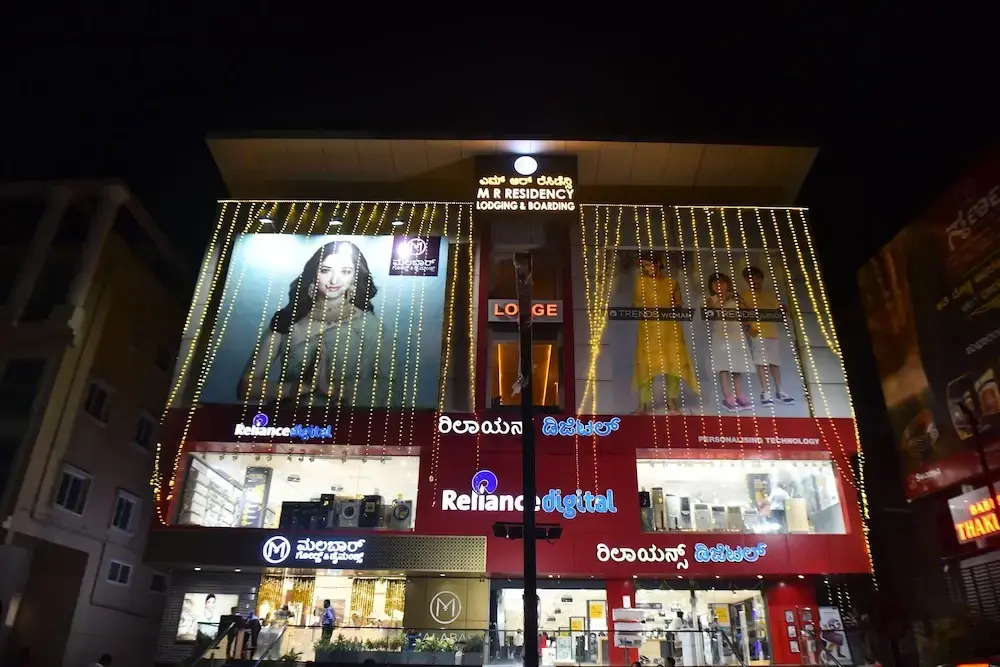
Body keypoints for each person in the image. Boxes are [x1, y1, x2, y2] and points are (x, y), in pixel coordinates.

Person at [238, 240, 394, 408]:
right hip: (288, 419)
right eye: (325, 270)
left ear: (355, 278)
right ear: (313, 274)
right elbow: (245, 387)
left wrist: (336, 390)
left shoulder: (371, 327)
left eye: (345, 271)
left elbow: (392, 388)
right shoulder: (287, 321)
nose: (334, 280)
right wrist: (297, 388)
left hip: (346, 421)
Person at [631, 253, 699, 414]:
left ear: (658, 264)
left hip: (670, 329)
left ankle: (671, 401)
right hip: (649, 330)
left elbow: (678, 303)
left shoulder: (671, 283)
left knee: (674, 365)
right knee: (646, 366)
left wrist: (675, 306)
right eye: (644, 266)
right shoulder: (641, 283)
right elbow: (635, 304)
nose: (647, 269)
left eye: (649, 264)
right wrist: (645, 308)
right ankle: (643, 404)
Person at [740, 266, 794, 406]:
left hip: (773, 333)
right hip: (758, 333)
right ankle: (765, 392)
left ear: (761, 279)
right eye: (750, 278)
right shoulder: (744, 296)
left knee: (775, 363)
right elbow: (743, 315)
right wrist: (750, 330)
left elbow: (780, 310)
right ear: (746, 280)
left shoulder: (770, 295)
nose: (754, 280)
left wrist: (785, 309)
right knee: (762, 363)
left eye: (757, 277)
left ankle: (779, 390)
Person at [706, 272, 753, 412]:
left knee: (737, 367)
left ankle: (740, 395)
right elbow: (710, 313)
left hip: (736, 335)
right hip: (720, 336)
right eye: (715, 283)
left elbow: (746, 311)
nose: (718, 285)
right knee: (724, 367)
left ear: (727, 284)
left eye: (722, 282)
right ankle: (728, 397)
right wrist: (723, 299)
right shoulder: (711, 299)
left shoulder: (736, 297)